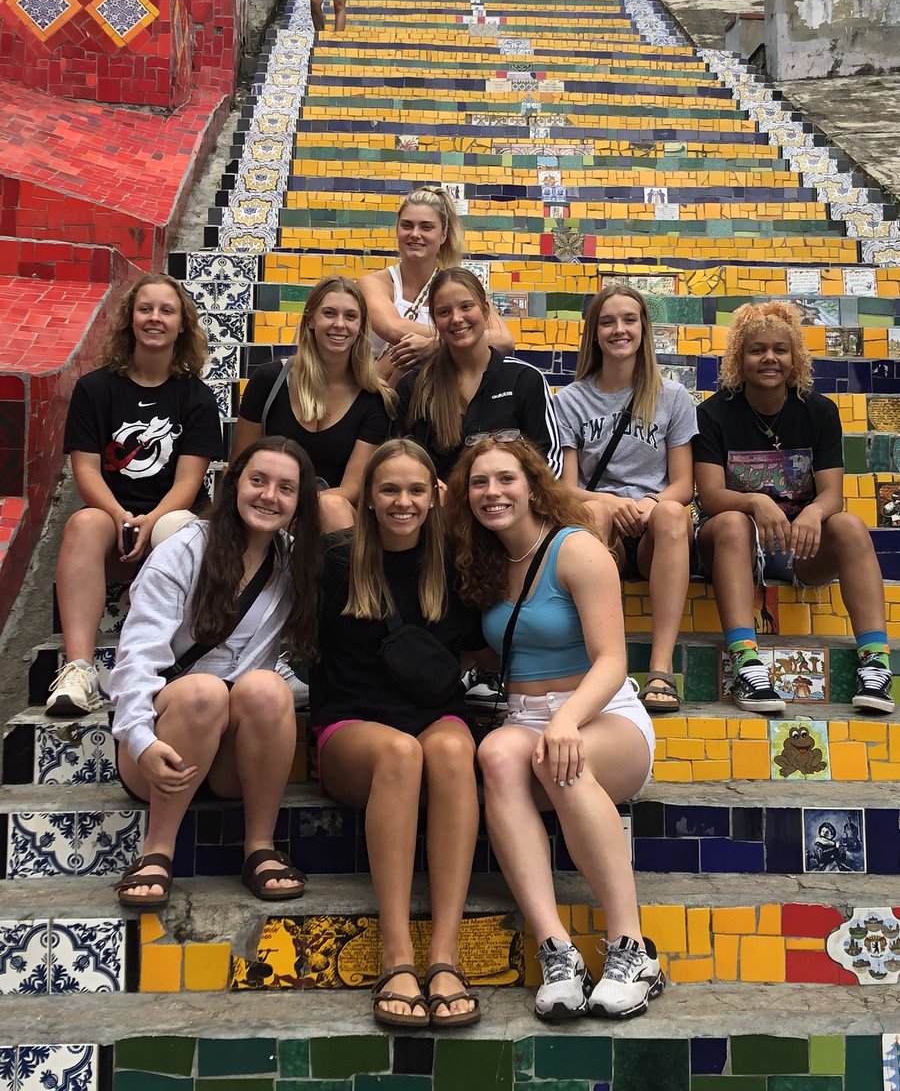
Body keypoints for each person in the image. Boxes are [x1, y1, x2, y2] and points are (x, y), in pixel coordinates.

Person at [445, 436, 663, 1021]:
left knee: (556, 757)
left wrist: (566, 719)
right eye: (479, 483)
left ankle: (631, 948)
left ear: (534, 485)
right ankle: (556, 949)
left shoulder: (577, 549)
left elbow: (613, 659)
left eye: (506, 479)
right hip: (525, 717)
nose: (493, 493)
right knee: (495, 756)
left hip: (602, 713)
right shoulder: (487, 561)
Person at [311, 439, 483, 1028]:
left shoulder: (453, 561)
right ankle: (396, 953)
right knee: (400, 752)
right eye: (389, 489)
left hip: (432, 712)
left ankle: (444, 953)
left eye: (415, 490)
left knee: (456, 749)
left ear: (435, 497)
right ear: (368, 497)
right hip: (350, 725)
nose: (402, 502)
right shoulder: (336, 559)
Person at [110, 437, 321, 907]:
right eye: (259, 481)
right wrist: (140, 740)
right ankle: (157, 851)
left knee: (268, 689)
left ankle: (260, 848)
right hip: (159, 748)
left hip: (230, 762)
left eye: (286, 488)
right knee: (203, 690)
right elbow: (137, 657)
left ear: (299, 503)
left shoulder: (293, 562)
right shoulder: (185, 550)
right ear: (234, 484)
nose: (270, 496)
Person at [693, 301, 895, 715]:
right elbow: (709, 496)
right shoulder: (713, 413)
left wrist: (814, 512)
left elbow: (832, 494)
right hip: (734, 547)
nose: (769, 358)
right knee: (731, 522)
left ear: (795, 356)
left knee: (850, 526)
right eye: (757, 350)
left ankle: (876, 663)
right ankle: (746, 663)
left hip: (799, 547)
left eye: (780, 349)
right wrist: (755, 500)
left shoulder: (819, 411)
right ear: (739, 358)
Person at [46, 273, 221, 718]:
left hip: (171, 516)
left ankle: (169, 660)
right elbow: (85, 469)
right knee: (83, 523)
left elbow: (189, 481)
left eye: (167, 310)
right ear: (130, 319)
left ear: (183, 324)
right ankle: (79, 669)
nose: (155, 318)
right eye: (146, 309)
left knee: (176, 528)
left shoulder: (197, 397)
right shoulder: (95, 388)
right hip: (112, 517)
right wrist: (121, 515)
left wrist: (148, 520)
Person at [553, 283, 696, 713]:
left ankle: (660, 666)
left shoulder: (673, 396)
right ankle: (602, 665)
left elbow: (684, 484)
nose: (619, 329)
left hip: (655, 533)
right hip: (603, 531)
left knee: (673, 513)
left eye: (629, 319)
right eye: (608, 321)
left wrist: (651, 504)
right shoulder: (570, 400)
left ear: (644, 328)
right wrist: (613, 504)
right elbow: (565, 488)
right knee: (592, 507)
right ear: (594, 333)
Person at [232, 275, 395, 532]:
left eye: (351, 317)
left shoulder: (373, 398)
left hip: (326, 517)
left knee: (334, 507)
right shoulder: (268, 380)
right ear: (311, 320)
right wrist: (279, 504)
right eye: (329, 313)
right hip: (265, 504)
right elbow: (240, 464)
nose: (339, 324)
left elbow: (352, 488)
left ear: (362, 327)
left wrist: (300, 508)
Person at [396, 267, 562, 483]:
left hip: (507, 510)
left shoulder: (525, 380)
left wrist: (510, 495)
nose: (456, 319)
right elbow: (400, 459)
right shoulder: (414, 385)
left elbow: (549, 461)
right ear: (435, 320)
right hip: (440, 512)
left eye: (466, 307)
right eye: (444, 312)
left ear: (485, 310)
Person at [358, 186, 514, 385]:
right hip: (380, 397)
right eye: (407, 225)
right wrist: (460, 338)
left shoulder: (457, 287)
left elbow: (504, 340)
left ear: (443, 235)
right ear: (397, 229)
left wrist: (436, 345)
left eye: (426, 227)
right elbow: (394, 329)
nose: (415, 234)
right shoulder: (373, 284)